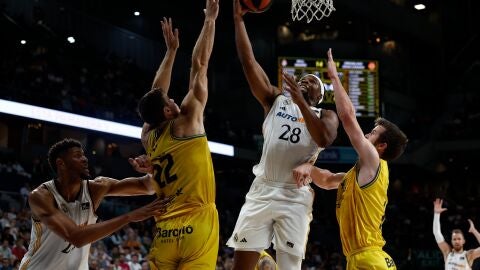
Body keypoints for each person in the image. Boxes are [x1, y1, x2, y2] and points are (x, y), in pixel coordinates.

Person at [227, 1, 339, 269]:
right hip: (263, 187)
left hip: (294, 196)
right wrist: (238, 21)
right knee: (241, 264)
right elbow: (248, 62)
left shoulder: (326, 115)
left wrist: (301, 102)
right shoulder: (275, 100)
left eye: (311, 80)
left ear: (319, 95)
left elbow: (323, 139)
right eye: (302, 77)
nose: (304, 80)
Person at [292, 49, 408, 269]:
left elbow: (347, 118)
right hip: (359, 259)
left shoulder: (375, 161)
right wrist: (308, 165)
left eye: (372, 133)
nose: (366, 134)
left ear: (381, 146)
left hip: (371, 260)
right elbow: (327, 180)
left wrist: (334, 77)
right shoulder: (357, 177)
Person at [136, 0, 220, 269]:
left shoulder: (148, 136)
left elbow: (155, 92)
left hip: (165, 229)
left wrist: (171, 52)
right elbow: (200, 64)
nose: (174, 99)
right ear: (169, 112)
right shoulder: (188, 120)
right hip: (197, 222)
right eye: (171, 100)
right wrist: (210, 20)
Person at [19, 138, 171, 270]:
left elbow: (147, 187)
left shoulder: (96, 187)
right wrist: (129, 217)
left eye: (84, 155)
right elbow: (76, 237)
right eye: (77, 156)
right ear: (61, 163)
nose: (85, 159)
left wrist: (151, 171)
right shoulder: (41, 196)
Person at [433, 198, 480, 269]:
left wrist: (474, 231)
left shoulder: (468, 255)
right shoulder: (447, 253)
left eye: (459, 239)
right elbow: (437, 233)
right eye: (454, 239)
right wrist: (436, 214)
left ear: (463, 241)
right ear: (451, 241)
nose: (456, 241)